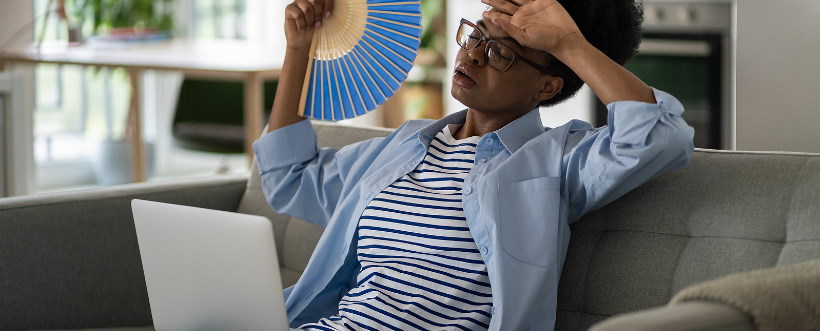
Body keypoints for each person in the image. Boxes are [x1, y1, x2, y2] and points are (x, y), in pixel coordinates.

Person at [253, 0, 695, 329]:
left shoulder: (555, 160)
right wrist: (299, 47)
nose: (473, 55)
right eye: (476, 35)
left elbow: (659, 135)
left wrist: (567, 41)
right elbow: (290, 177)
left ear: (546, 86)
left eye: (501, 53)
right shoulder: (407, 145)